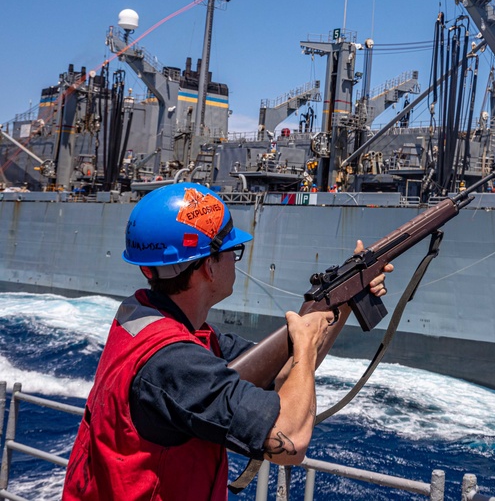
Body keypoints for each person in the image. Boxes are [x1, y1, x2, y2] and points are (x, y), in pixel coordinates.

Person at [62, 183, 389, 500]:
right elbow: (291, 440)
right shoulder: (175, 361)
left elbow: (284, 375)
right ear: (207, 267)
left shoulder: (152, 322)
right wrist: (304, 345)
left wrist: (343, 300)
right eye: (232, 251)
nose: (236, 260)